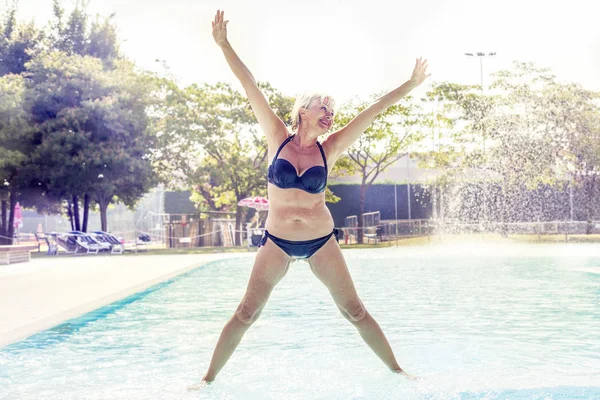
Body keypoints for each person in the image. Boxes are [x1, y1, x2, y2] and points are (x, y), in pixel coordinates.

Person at [190, 10, 430, 388]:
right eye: (324, 109)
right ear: (303, 111)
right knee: (247, 312)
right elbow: (248, 83)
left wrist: (409, 85)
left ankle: (399, 372)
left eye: (332, 112)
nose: (330, 116)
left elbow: (375, 111)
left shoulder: (329, 149)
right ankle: (206, 381)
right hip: (278, 241)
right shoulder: (276, 136)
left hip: (321, 241)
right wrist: (224, 45)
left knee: (354, 310)